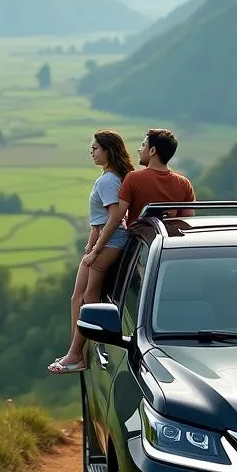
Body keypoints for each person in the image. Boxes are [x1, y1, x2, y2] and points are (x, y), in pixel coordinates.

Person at [47, 130, 134, 374]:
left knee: (88, 296)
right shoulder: (110, 177)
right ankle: (75, 351)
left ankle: (77, 355)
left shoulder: (109, 180)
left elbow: (115, 217)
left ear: (108, 150)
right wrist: (91, 244)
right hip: (102, 238)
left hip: (112, 240)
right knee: (77, 297)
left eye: (96, 148)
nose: (91, 152)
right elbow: (101, 220)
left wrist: (95, 250)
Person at [86, 128, 196, 260]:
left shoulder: (133, 178)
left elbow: (115, 219)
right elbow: (187, 222)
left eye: (143, 145)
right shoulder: (184, 183)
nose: (139, 149)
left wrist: (95, 250)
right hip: (171, 251)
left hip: (138, 250)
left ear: (152, 151)